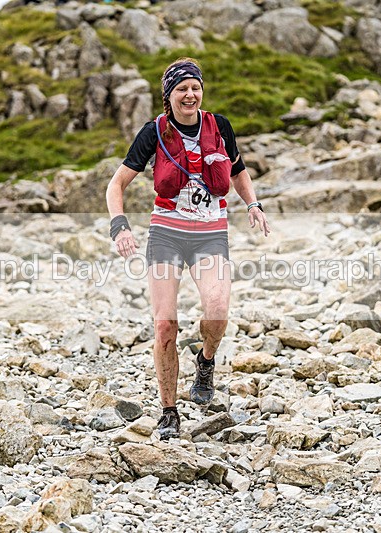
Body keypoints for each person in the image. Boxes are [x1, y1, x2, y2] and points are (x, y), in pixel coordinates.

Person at [105, 57, 271, 440]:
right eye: (182, 89)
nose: (190, 94)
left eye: (195, 87)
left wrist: (253, 204)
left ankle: (206, 360)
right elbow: (117, 185)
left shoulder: (219, 126)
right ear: (169, 96)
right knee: (165, 325)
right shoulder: (155, 132)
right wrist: (120, 226)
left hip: (211, 234)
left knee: (217, 312)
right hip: (166, 235)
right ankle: (168, 411)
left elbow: (237, 170)